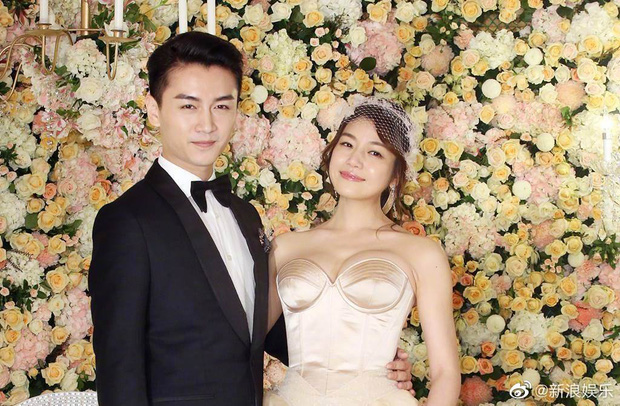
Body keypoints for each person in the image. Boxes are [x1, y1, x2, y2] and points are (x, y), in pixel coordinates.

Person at [89, 32, 413, 406]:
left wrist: (371, 366)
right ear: (153, 108)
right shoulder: (127, 221)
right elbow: (119, 369)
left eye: (221, 106)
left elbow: (259, 330)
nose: (207, 124)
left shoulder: (244, 215)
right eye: (189, 106)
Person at [265, 97, 461, 405]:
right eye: (347, 144)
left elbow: (446, 373)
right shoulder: (285, 247)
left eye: (374, 152)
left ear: (395, 174)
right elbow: (243, 343)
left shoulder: (421, 254)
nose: (354, 160)